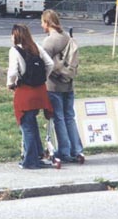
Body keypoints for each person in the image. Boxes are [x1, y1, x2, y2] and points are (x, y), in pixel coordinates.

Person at [6, 23, 55, 169]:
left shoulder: (14, 50)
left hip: (25, 91)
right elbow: (50, 64)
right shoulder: (36, 47)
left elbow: (13, 72)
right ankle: (38, 155)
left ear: (15, 35)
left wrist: (10, 84)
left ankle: (30, 160)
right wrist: (43, 77)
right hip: (39, 91)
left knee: (26, 126)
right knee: (32, 123)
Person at [41, 9, 85, 164]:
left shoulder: (49, 42)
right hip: (69, 83)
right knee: (70, 117)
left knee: (58, 118)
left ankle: (64, 151)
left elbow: (45, 64)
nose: (42, 25)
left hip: (54, 85)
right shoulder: (67, 37)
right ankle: (77, 150)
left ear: (47, 23)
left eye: (42, 22)